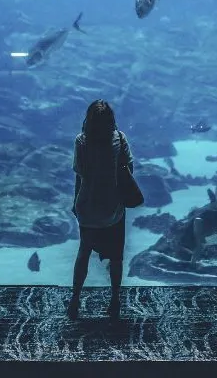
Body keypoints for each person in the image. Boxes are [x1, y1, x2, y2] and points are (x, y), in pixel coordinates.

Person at [68, 99, 134, 321]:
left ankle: (75, 300)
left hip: (87, 205)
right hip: (113, 207)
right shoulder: (120, 138)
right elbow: (129, 168)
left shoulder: (81, 141)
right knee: (116, 257)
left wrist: (75, 203)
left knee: (83, 252)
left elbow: (80, 174)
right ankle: (115, 300)